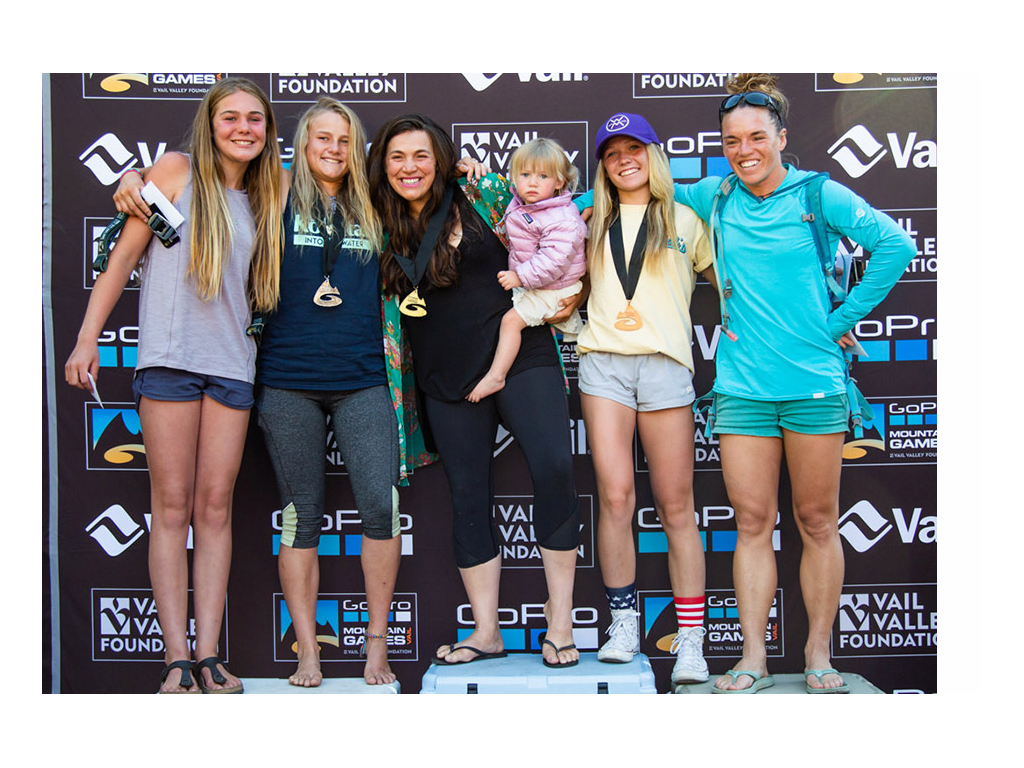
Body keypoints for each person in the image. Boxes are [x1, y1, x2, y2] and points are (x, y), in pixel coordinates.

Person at [671, 74, 915, 693]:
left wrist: (838, 321)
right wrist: (553, 204)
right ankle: (752, 657)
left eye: (757, 136)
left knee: (815, 520)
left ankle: (817, 654)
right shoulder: (715, 195)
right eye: (731, 140)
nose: (744, 149)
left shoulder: (818, 194)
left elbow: (894, 244)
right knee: (752, 523)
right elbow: (637, 190)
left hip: (813, 385)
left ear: (781, 137)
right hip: (743, 388)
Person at [66, 77, 284, 693]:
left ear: (268, 132)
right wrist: (88, 339)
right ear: (209, 123)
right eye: (231, 118)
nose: (243, 128)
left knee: (215, 510)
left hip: (234, 365)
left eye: (255, 120)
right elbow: (122, 259)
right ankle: (174, 658)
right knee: (170, 507)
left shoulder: (274, 191)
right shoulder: (176, 171)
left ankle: (209, 655)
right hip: (169, 358)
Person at [367, 114, 583, 668]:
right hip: (443, 377)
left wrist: (571, 297)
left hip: (522, 356)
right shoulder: (373, 218)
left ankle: (561, 625)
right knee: (468, 496)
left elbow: (563, 230)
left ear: (441, 157)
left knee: (555, 469)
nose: (410, 167)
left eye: (421, 155)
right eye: (397, 156)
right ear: (382, 165)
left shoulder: (484, 193)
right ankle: (486, 630)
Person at [572, 113, 716, 686]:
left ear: (655, 155)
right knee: (615, 496)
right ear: (603, 166)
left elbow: (736, 285)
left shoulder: (688, 218)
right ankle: (624, 623)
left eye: (635, 148)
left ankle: (691, 641)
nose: (624, 159)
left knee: (677, 505)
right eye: (611, 153)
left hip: (666, 367)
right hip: (603, 363)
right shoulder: (587, 218)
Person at [466, 137, 586, 403]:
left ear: (559, 183)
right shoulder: (523, 203)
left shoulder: (563, 218)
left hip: (555, 288)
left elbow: (554, 261)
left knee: (511, 322)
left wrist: (520, 276)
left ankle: (497, 376)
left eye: (543, 176)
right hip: (541, 283)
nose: (532, 182)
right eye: (525, 174)